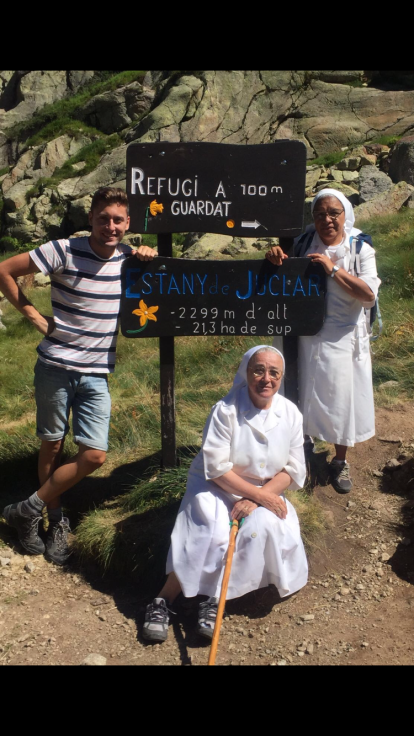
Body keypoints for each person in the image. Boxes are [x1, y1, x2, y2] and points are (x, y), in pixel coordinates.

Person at [0, 186, 157, 564]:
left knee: (95, 455)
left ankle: (26, 508)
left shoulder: (128, 258)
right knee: (52, 444)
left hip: (97, 373)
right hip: (55, 365)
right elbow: (5, 269)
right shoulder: (63, 250)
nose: (110, 226)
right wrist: (35, 317)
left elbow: (158, 274)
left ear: (128, 223)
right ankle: (54, 520)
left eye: (118, 220)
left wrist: (146, 253)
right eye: (103, 218)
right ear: (91, 218)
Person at [142, 344, 308, 642]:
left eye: (274, 372)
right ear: (247, 372)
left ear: (281, 377)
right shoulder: (225, 410)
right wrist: (255, 497)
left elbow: (294, 469)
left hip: (262, 489)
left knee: (259, 528)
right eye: (259, 370)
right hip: (214, 484)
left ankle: (214, 598)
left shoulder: (290, 413)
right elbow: (216, 469)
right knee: (209, 527)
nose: (266, 379)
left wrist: (261, 497)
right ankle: (162, 601)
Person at [266, 188, 381, 494]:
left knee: (340, 399)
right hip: (305, 332)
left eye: (334, 213)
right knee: (301, 392)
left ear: (345, 215)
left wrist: (333, 270)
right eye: (320, 214)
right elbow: (284, 275)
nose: (327, 220)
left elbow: (369, 295)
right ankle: (302, 446)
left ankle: (340, 461)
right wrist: (275, 257)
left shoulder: (359, 248)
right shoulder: (303, 242)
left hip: (343, 336)